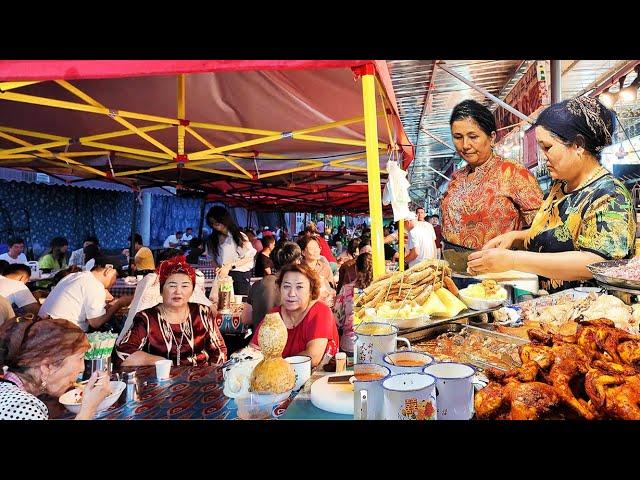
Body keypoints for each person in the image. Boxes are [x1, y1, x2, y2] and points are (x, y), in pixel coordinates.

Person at [468, 96, 636, 293]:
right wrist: (517, 237)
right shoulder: (558, 187)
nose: (543, 157)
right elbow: (558, 233)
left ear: (578, 145)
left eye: (548, 147)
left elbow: (595, 261)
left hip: (594, 314)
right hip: (553, 306)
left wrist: (513, 259)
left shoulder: (610, 195)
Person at [441, 99, 543, 251]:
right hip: (454, 270)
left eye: (473, 136)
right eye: (458, 137)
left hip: (499, 271)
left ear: (492, 137)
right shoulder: (457, 178)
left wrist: (513, 241)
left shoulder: (513, 172)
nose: (465, 145)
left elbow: (542, 229)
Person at [114, 256, 227, 367]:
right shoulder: (147, 318)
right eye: (172, 285)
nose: (178, 291)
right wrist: (160, 362)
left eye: (185, 286)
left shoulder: (202, 313)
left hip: (199, 380)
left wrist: (213, 378)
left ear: (192, 291)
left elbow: (219, 350)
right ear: (161, 291)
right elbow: (123, 354)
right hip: (160, 381)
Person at [0, 316, 112, 420]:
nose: (82, 368)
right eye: (80, 358)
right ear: (47, 366)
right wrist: (89, 409)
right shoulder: (22, 407)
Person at [250, 263, 339, 368]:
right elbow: (253, 351)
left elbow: (313, 358)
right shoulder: (274, 316)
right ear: (279, 289)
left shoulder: (320, 311)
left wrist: (273, 366)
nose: (291, 293)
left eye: (299, 287)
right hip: (279, 380)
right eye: (286, 286)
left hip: (316, 381)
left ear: (310, 290)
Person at [39, 257, 132, 332]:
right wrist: (118, 304)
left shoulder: (75, 276)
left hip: (45, 328)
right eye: (116, 276)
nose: (115, 282)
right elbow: (96, 322)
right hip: (60, 334)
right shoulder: (95, 284)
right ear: (108, 271)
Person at [247, 242, 302, 328]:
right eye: (299, 259)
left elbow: (245, 318)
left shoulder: (257, 285)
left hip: (259, 337)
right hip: (286, 338)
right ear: (296, 262)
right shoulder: (296, 288)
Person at [205, 206, 256, 295]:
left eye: (217, 222)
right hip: (223, 275)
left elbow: (248, 257)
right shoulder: (211, 239)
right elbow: (211, 258)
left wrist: (229, 266)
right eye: (212, 223)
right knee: (223, 303)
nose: (215, 225)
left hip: (240, 275)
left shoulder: (238, 236)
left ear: (225, 219)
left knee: (240, 303)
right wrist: (217, 267)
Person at [334, 252, 372, 353]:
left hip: (350, 344)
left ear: (355, 269)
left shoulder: (346, 290)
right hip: (374, 343)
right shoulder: (378, 291)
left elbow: (337, 320)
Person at [298, 235, 336, 307]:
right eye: (312, 248)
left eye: (317, 247)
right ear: (303, 252)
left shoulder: (325, 267)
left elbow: (332, 288)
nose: (316, 251)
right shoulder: (298, 269)